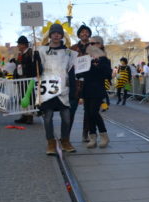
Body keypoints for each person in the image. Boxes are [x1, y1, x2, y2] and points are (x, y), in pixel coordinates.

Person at [37, 23, 77, 155]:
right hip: (47, 88)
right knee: (47, 118)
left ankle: (65, 141)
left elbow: (71, 72)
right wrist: (35, 60)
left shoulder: (68, 53)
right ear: (50, 35)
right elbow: (36, 70)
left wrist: (74, 91)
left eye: (58, 33)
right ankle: (51, 143)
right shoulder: (41, 50)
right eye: (53, 33)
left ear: (62, 36)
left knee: (66, 118)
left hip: (63, 89)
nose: (56, 35)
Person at [80, 36, 112, 148]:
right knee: (88, 113)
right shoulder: (86, 58)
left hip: (98, 89)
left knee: (94, 112)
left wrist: (97, 65)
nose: (92, 46)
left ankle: (104, 135)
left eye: (95, 43)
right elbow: (80, 74)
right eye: (91, 43)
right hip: (87, 89)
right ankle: (92, 137)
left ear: (101, 45)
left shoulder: (104, 59)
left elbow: (107, 74)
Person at [13, 35, 41, 124]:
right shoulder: (20, 54)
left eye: (19, 44)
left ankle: (30, 116)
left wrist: (36, 58)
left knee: (29, 97)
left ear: (24, 45)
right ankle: (24, 115)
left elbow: (34, 64)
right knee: (22, 98)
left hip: (28, 79)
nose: (18, 46)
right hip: (21, 79)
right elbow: (19, 65)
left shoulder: (31, 53)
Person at [70, 24, 92, 140]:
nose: (84, 33)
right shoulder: (73, 48)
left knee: (88, 110)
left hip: (89, 82)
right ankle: (66, 135)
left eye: (86, 32)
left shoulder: (94, 48)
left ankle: (85, 134)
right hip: (76, 82)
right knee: (71, 108)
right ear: (79, 35)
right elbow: (68, 64)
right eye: (82, 32)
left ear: (89, 34)